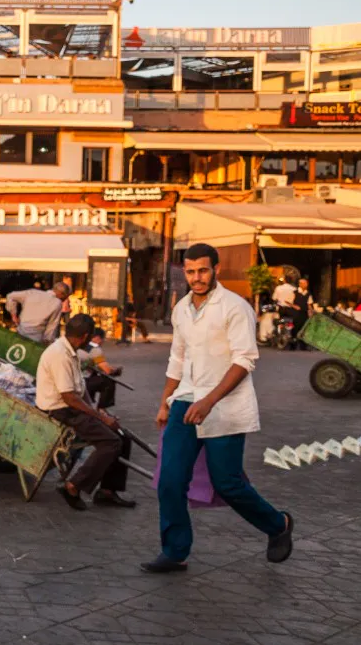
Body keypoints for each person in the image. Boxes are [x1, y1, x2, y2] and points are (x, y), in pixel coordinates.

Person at [143, 243, 292, 574]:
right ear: (185, 271)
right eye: (191, 271)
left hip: (223, 407)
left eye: (204, 270)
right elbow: (178, 358)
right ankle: (175, 551)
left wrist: (209, 401)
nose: (197, 278)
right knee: (170, 481)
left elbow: (245, 359)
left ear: (216, 270)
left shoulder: (235, 307)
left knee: (228, 483)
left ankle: (278, 524)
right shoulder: (181, 309)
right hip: (185, 401)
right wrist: (165, 402)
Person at [35, 314, 134, 510]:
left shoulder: (71, 351)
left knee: (123, 437)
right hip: (61, 410)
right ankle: (73, 486)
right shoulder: (60, 355)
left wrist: (101, 415)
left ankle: (107, 491)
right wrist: (101, 419)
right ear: (85, 336)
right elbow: (69, 397)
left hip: (71, 406)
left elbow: (81, 389)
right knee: (111, 442)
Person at [6, 281, 71, 343]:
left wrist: (14, 316)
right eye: (65, 297)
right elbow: (52, 328)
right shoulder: (57, 303)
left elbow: (10, 296)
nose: (64, 300)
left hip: (20, 333)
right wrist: (47, 343)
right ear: (61, 294)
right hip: (36, 339)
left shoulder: (32, 293)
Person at [81, 326, 122, 410]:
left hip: (75, 378)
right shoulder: (95, 350)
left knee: (95, 376)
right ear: (97, 338)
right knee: (108, 381)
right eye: (103, 339)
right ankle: (102, 409)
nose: (102, 342)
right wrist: (116, 370)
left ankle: (89, 403)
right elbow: (107, 370)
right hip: (82, 382)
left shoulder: (81, 345)